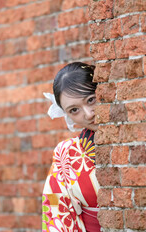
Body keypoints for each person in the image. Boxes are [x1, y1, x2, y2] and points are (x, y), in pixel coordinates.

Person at [42, 62, 101, 232]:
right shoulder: (66, 155)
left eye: (91, 100)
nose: (89, 114)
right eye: (74, 110)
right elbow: (54, 207)